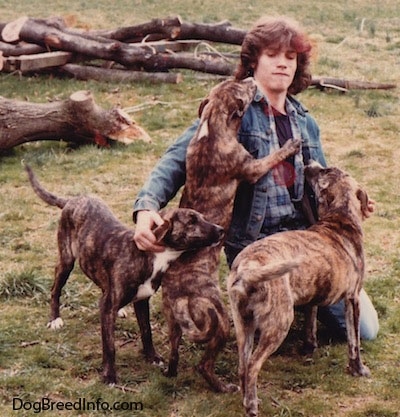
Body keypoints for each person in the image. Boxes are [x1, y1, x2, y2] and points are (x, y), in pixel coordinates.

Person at [132, 16, 379, 341]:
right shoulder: (232, 111)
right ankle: (281, 296)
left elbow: (323, 184)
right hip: (255, 243)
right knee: (268, 327)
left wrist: (352, 202)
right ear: (253, 61)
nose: (283, 64)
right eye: (273, 55)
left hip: (305, 240)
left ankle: (298, 295)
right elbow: (177, 159)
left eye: (291, 57)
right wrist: (146, 207)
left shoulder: (305, 122)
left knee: (364, 330)